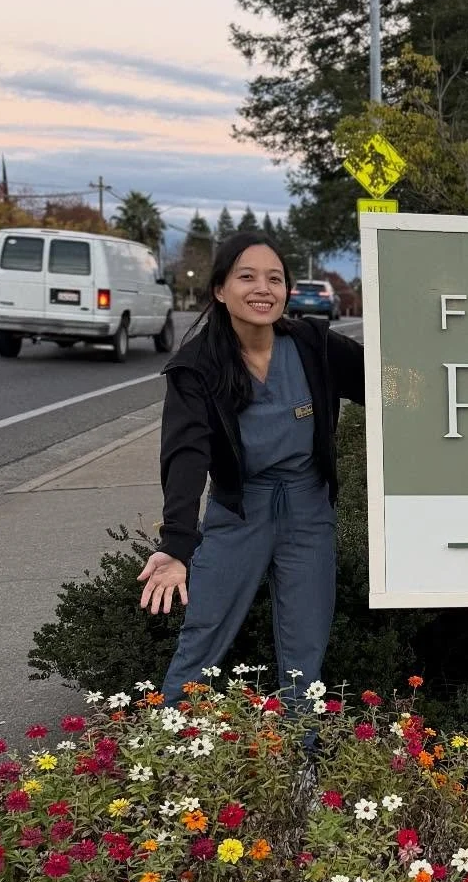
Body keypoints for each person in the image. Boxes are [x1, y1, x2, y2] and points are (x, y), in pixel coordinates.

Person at [138, 233, 365, 699]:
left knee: (305, 650)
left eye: (274, 279)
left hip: (309, 509)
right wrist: (177, 543)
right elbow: (186, 455)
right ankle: (170, 736)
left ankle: (300, 741)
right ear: (220, 290)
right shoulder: (196, 366)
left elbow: (387, 381)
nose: (263, 289)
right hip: (239, 512)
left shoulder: (313, 345)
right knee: (202, 637)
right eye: (247, 277)